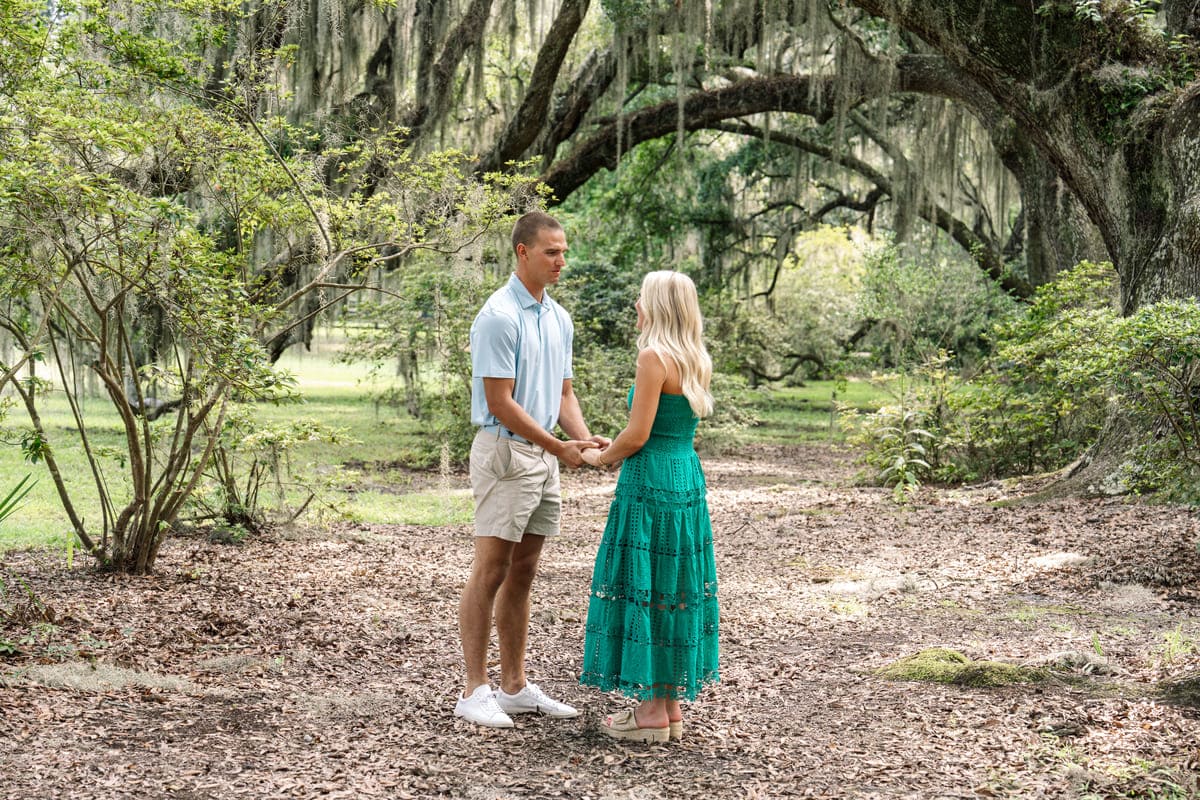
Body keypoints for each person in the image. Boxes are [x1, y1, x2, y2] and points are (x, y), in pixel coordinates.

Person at [454, 210, 609, 728]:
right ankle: (475, 690)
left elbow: (563, 393)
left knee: (525, 570)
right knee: (491, 569)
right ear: (523, 252)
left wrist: (581, 440)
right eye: (551, 251)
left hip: (544, 457)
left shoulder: (557, 317)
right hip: (507, 452)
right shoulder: (499, 315)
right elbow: (500, 401)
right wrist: (557, 445)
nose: (561, 260)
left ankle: (515, 686)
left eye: (564, 251)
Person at [579, 270, 720, 743]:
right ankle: (669, 706)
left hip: (651, 481)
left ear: (656, 306)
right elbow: (661, 428)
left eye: (640, 299)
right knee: (674, 585)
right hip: (685, 478)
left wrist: (602, 457)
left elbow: (638, 436)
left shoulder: (652, 357)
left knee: (648, 583)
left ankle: (652, 712)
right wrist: (614, 442)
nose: (636, 306)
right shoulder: (697, 358)